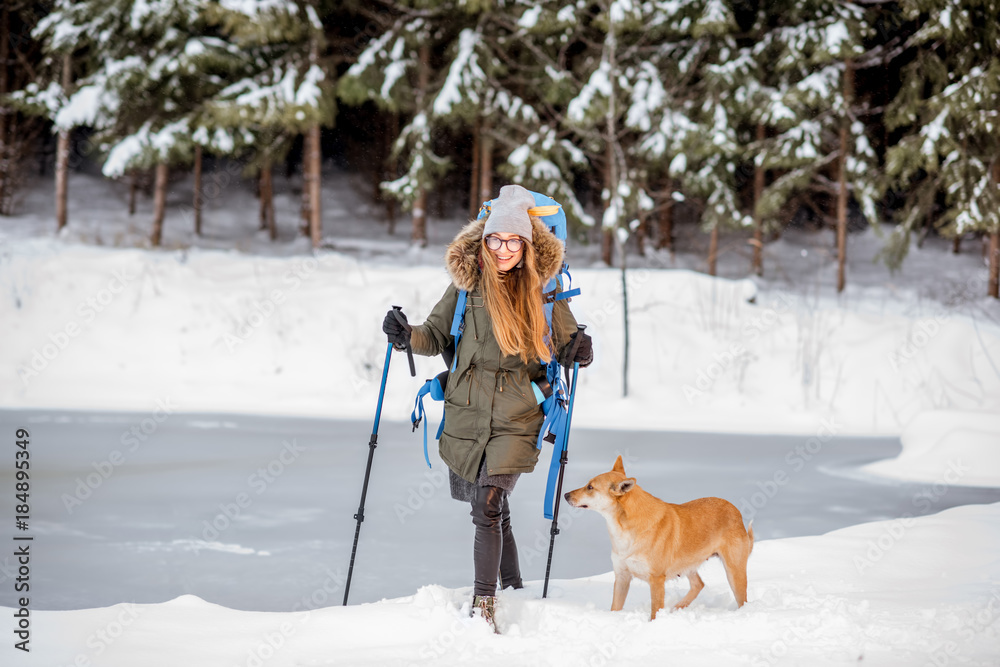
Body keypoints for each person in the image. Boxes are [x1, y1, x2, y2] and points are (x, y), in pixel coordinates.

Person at [382, 184, 593, 632]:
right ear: (485, 240)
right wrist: (405, 335)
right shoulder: (467, 285)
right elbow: (434, 335)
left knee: (489, 503)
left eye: (513, 241)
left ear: (527, 245)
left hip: (518, 416)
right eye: (494, 240)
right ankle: (514, 586)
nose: (502, 250)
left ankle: (485, 605)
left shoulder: (544, 291)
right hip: (469, 411)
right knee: (492, 508)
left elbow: (568, 344)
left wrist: (580, 350)